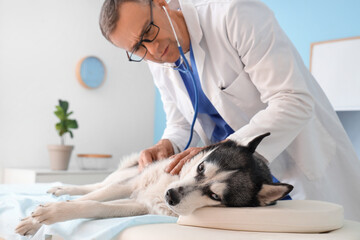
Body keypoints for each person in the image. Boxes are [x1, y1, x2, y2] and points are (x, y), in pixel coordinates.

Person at [99, 0, 360, 220]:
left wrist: (222, 152)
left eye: (149, 30)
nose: (152, 49)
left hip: (298, 167)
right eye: (137, 48)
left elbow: (293, 100)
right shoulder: (158, 59)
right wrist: (167, 143)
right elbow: (179, 123)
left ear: (161, 3)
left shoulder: (233, 14)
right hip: (230, 191)